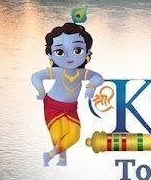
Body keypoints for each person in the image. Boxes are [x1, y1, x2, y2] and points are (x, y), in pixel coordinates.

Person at [30, 21, 103, 166]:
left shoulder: (82, 73)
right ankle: (62, 159)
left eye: (77, 50)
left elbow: (98, 77)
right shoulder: (57, 71)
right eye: (60, 52)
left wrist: (91, 86)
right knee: (58, 134)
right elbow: (35, 77)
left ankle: (50, 155)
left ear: (87, 51)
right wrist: (41, 91)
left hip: (71, 108)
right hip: (53, 105)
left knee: (74, 135)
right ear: (51, 55)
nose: (69, 57)